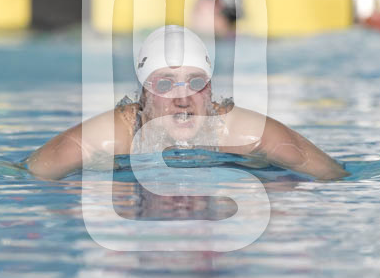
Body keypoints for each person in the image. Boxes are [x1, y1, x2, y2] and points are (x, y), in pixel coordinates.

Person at [26, 25, 348, 181]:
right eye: (165, 84)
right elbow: (26, 178)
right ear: (143, 96)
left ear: (210, 89)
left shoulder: (248, 134)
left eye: (195, 83)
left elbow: (335, 179)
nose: (182, 99)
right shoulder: (107, 138)